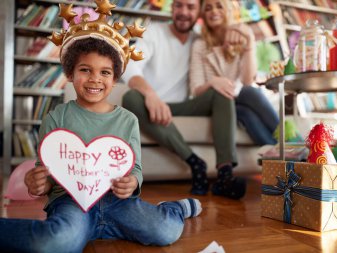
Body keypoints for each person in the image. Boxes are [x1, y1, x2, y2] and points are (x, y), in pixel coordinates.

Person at [0, 2, 202, 252]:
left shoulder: (128, 120)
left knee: (166, 230)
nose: (95, 78)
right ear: (71, 73)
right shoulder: (56, 117)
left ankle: (175, 208)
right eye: (85, 70)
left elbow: (135, 167)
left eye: (105, 72)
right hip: (71, 201)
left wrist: (132, 183)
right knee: (55, 242)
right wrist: (39, 183)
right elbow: (47, 171)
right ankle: (89, 229)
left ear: (115, 78)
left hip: (116, 202)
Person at [122, 0, 246, 200]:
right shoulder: (154, 32)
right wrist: (151, 95)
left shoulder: (201, 40)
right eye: (179, 5)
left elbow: (228, 66)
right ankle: (195, 162)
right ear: (172, 7)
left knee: (220, 90)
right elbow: (130, 67)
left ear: (199, 12)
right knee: (130, 97)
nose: (183, 12)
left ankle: (225, 175)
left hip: (186, 106)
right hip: (151, 104)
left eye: (190, 7)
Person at [189, 0, 279, 146]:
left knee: (245, 111)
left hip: (239, 100)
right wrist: (213, 82)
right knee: (249, 95)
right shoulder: (199, 45)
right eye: (208, 8)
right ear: (203, 14)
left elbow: (248, 81)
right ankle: (292, 144)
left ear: (228, 10)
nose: (214, 11)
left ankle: (283, 153)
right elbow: (196, 90)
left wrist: (249, 43)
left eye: (219, 6)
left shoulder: (241, 36)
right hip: (214, 103)